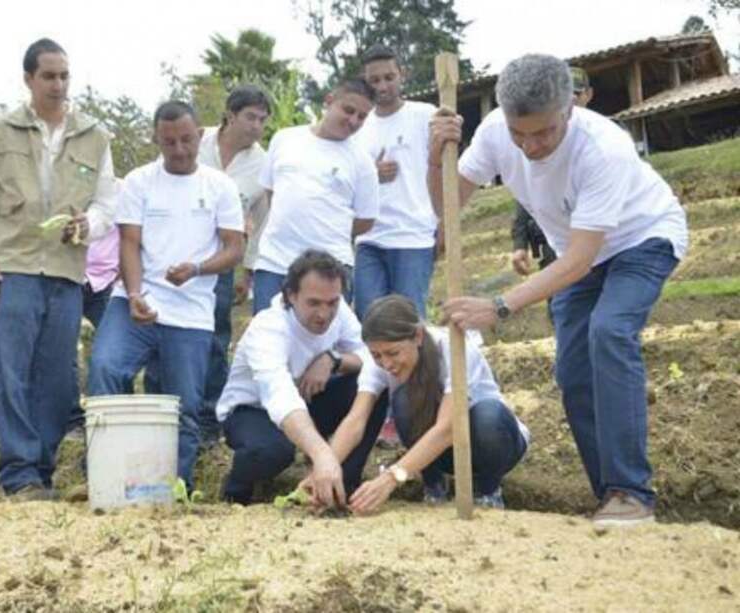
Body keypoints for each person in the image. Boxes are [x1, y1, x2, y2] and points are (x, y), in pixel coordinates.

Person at [431, 54, 688, 526]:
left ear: (570, 107)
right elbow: (447, 203)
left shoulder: (603, 148)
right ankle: (607, 495)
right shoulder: (493, 132)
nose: (530, 146)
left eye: (544, 133)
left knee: (609, 333)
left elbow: (580, 259)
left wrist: (500, 305)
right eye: (519, 134)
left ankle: (631, 491)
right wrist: (437, 155)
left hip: (640, 239)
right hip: (575, 251)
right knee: (573, 373)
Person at [0, 38, 118, 500]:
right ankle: (18, 473)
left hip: (67, 274)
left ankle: (43, 471)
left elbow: (108, 203)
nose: (58, 84)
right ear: (28, 79)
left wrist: (90, 225)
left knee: (56, 378)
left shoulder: (95, 136)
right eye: (48, 76)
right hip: (15, 271)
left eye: (64, 75)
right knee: (13, 373)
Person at [88, 101, 245, 489]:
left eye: (187, 140)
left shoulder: (220, 186)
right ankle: (108, 477)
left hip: (191, 312)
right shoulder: (139, 181)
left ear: (200, 136)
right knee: (106, 369)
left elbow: (234, 248)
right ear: (156, 139)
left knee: (185, 406)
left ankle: (175, 490)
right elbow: (129, 242)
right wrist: (137, 291)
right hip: (135, 302)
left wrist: (197, 268)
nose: (179, 149)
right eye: (169, 141)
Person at [316, 295, 529, 513]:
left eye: (393, 353)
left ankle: (488, 491)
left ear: (417, 336)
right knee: (404, 400)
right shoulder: (377, 362)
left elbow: (448, 428)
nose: (386, 364)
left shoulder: (455, 350)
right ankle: (434, 485)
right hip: (442, 455)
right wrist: (324, 468)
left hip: (493, 444)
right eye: (377, 355)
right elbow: (356, 420)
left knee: (488, 416)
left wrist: (391, 478)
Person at [146, 85, 271, 446]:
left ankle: (208, 419)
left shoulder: (262, 164)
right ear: (229, 115)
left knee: (215, 340)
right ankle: (160, 410)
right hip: (169, 258)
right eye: (250, 117)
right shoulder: (193, 139)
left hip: (219, 262)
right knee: (161, 336)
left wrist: (247, 269)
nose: (257, 126)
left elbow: (261, 219)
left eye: (263, 120)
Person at [217, 249, 388, 506]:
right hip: (253, 410)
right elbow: (279, 395)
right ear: (291, 296)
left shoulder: (339, 312)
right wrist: (321, 453)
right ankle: (236, 491)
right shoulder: (269, 328)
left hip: (308, 399)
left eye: (332, 303)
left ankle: (343, 481)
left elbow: (371, 354)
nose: (324, 313)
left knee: (373, 385)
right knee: (273, 451)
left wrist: (333, 360)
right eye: (314, 303)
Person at [251, 78, 379, 314]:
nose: (353, 121)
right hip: (275, 263)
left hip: (331, 270)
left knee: (322, 347)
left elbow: (366, 219)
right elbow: (272, 192)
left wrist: (330, 227)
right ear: (329, 101)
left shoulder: (362, 161)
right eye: (348, 110)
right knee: (267, 343)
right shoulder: (284, 139)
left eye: (361, 117)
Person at [352, 45, 440, 321]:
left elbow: (445, 169)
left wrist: (445, 224)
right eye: (374, 80)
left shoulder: (426, 115)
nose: (382, 86)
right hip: (368, 238)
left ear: (403, 74)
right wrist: (371, 174)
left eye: (389, 77)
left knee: (408, 322)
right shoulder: (357, 125)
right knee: (369, 321)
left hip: (413, 236)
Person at [510, 67, 592, 284]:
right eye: (563, 96)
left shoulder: (603, 138)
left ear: (588, 95)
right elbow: (524, 196)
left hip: (598, 238)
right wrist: (520, 244)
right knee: (559, 303)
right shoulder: (536, 139)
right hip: (551, 239)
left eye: (575, 95)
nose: (570, 101)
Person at [65, 222, 121, 436]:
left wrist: (124, 270)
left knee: (115, 350)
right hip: (70, 276)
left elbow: (131, 234)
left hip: (106, 280)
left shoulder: (121, 194)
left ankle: (118, 413)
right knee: (65, 352)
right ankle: (73, 419)